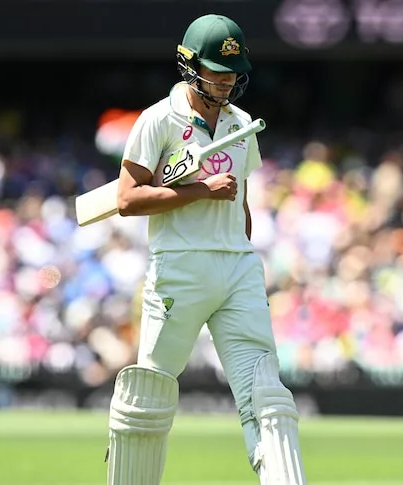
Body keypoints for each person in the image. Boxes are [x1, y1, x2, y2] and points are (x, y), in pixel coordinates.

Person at [105, 13, 308, 485]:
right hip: (179, 266)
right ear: (189, 65)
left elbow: (243, 202)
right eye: (217, 71)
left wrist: (241, 248)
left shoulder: (241, 124)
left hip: (237, 267)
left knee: (266, 395)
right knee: (148, 396)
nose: (226, 82)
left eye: (233, 73)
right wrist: (199, 190)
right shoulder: (158, 120)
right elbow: (127, 199)